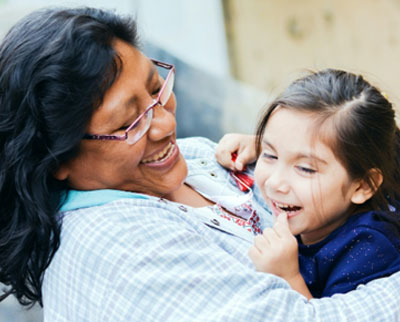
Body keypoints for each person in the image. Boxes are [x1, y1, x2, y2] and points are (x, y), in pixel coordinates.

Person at [0, 7, 400, 322]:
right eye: (128, 123)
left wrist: (274, 150)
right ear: (58, 158)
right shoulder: (122, 250)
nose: (167, 124)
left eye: (157, 90)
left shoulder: (190, 157)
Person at [215, 69, 400, 299]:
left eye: (305, 168)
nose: (275, 183)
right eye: (271, 155)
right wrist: (258, 147)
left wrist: (288, 277)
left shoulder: (369, 249)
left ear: (362, 186)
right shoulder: (317, 209)